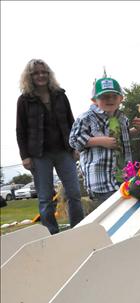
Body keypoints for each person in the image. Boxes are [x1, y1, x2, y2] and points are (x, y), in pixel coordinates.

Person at [16, 59, 84, 234]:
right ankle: (52, 234)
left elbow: (71, 121)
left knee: (74, 194)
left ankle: (77, 230)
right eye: (36, 73)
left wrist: (75, 146)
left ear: (49, 74)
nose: (40, 75)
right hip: (39, 155)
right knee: (45, 198)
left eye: (44, 72)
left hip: (64, 150)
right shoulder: (24, 100)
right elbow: (20, 129)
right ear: (30, 77)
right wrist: (25, 156)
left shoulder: (60, 94)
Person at [69, 77, 140, 206]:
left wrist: (136, 130)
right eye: (104, 97)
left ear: (121, 99)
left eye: (114, 96)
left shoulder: (122, 118)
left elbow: (120, 139)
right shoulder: (86, 117)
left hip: (124, 176)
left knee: (126, 210)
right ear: (94, 100)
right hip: (101, 179)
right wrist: (99, 141)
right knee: (109, 213)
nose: (110, 100)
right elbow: (74, 140)